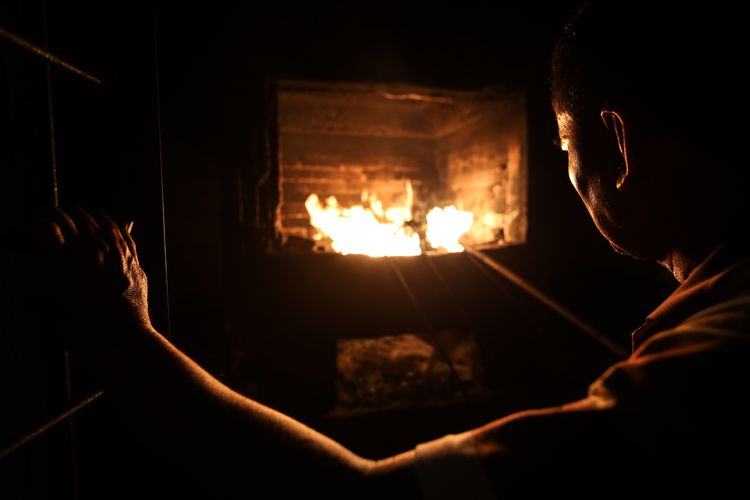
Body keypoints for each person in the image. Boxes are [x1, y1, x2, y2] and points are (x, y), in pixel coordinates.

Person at [37, 1, 750, 497]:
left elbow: (361, 499)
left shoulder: (699, 380)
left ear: (617, 147)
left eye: (565, 144)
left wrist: (128, 338)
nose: (567, 171)